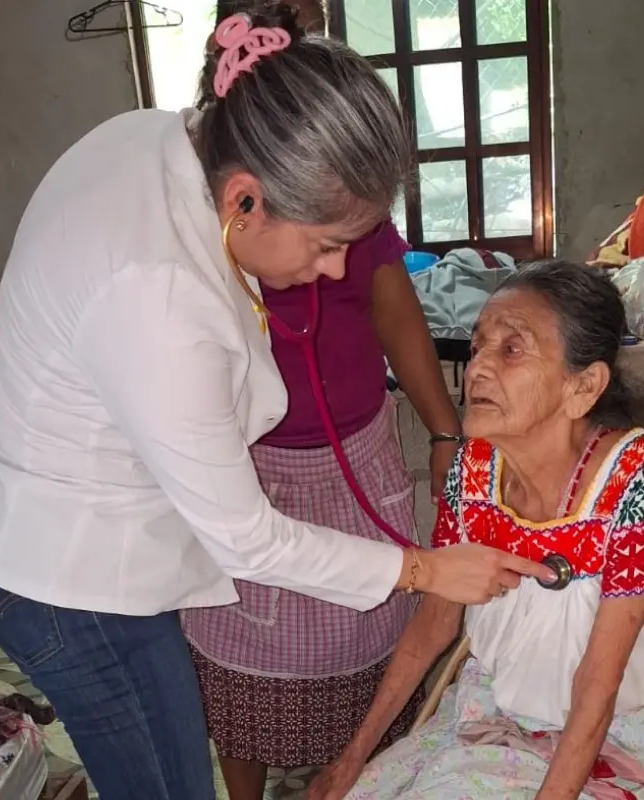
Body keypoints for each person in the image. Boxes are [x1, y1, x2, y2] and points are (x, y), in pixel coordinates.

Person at [0, 4, 552, 798]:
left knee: (186, 773)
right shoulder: (163, 296)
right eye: (325, 246)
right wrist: (427, 569)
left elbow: (44, 302)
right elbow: (250, 541)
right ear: (245, 199)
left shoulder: (150, 138)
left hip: (111, 551)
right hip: (62, 582)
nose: (331, 273)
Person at [307, 261, 644, 800]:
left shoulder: (643, 478)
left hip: (623, 729)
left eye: (512, 350)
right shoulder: (475, 470)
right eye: (479, 346)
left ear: (583, 386)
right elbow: (433, 626)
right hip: (503, 710)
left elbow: (599, 681)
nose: (478, 369)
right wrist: (347, 765)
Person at [183, 2, 461, 796]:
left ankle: (356, 778)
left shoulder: (343, 186)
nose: (331, 269)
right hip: (250, 466)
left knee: (367, 638)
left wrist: (445, 431)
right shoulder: (200, 219)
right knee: (244, 653)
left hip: (353, 455)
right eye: (321, 248)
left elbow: (394, 307)